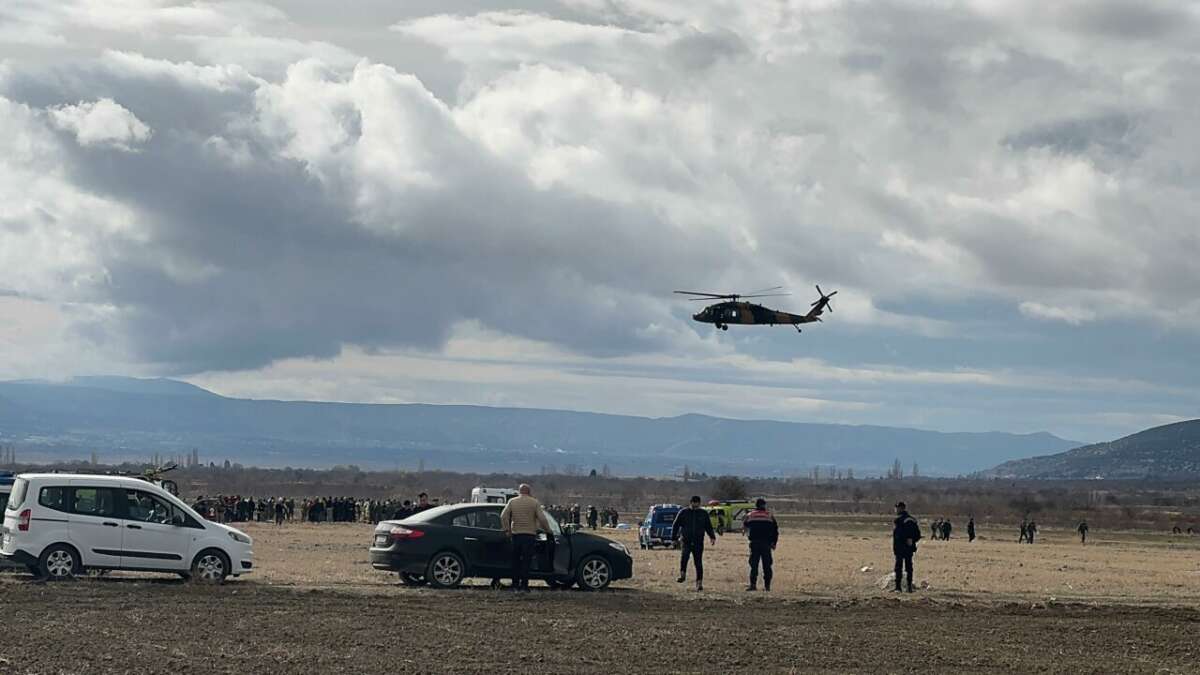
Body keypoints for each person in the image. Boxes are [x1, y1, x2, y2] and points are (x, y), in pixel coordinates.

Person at [500, 483, 550, 593]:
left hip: (516, 535)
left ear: (519, 491)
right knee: (526, 562)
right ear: (529, 491)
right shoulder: (534, 502)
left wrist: (507, 530)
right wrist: (548, 530)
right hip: (529, 535)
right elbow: (542, 518)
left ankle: (514, 585)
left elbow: (503, 516)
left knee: (515, 561)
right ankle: (524, 586)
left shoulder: (512, 501)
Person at [672, 495, 717, 591]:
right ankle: (682, 574)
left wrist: (712, 536)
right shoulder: (683, 512)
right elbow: (675, 525)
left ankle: (699, 583)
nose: (696, 506)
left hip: (698, 541)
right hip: (686, 541)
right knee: (684, 557)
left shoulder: (703, 513)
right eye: (694, 504)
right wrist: (674, 538)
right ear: (691, 503)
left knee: (698, 562)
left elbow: (708, 526)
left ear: (699, 504)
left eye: (698, 504)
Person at [742, 498, 778, 591]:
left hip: (754, 543)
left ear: (756, 505)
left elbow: (745, 526)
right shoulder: (769, 515)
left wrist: (748, 535)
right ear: (764, 505)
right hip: (766, 543)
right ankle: (767, 586)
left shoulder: (750, 515)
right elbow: (775, 531)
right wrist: (774, 542)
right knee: (767, 565)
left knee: (754, 565)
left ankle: (753, 585)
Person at [892, 501, 921, 593]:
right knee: (909, 567)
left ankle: (898, 587)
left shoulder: (899, 520)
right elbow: (917, 534)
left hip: (900, 547)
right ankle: (909, 587)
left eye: (896, 508)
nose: (895, 510)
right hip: (909, 547)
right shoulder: (912, 520)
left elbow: (898, 535)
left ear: (900, 508)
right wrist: (911, 540)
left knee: (898, 567)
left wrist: (904, 540)